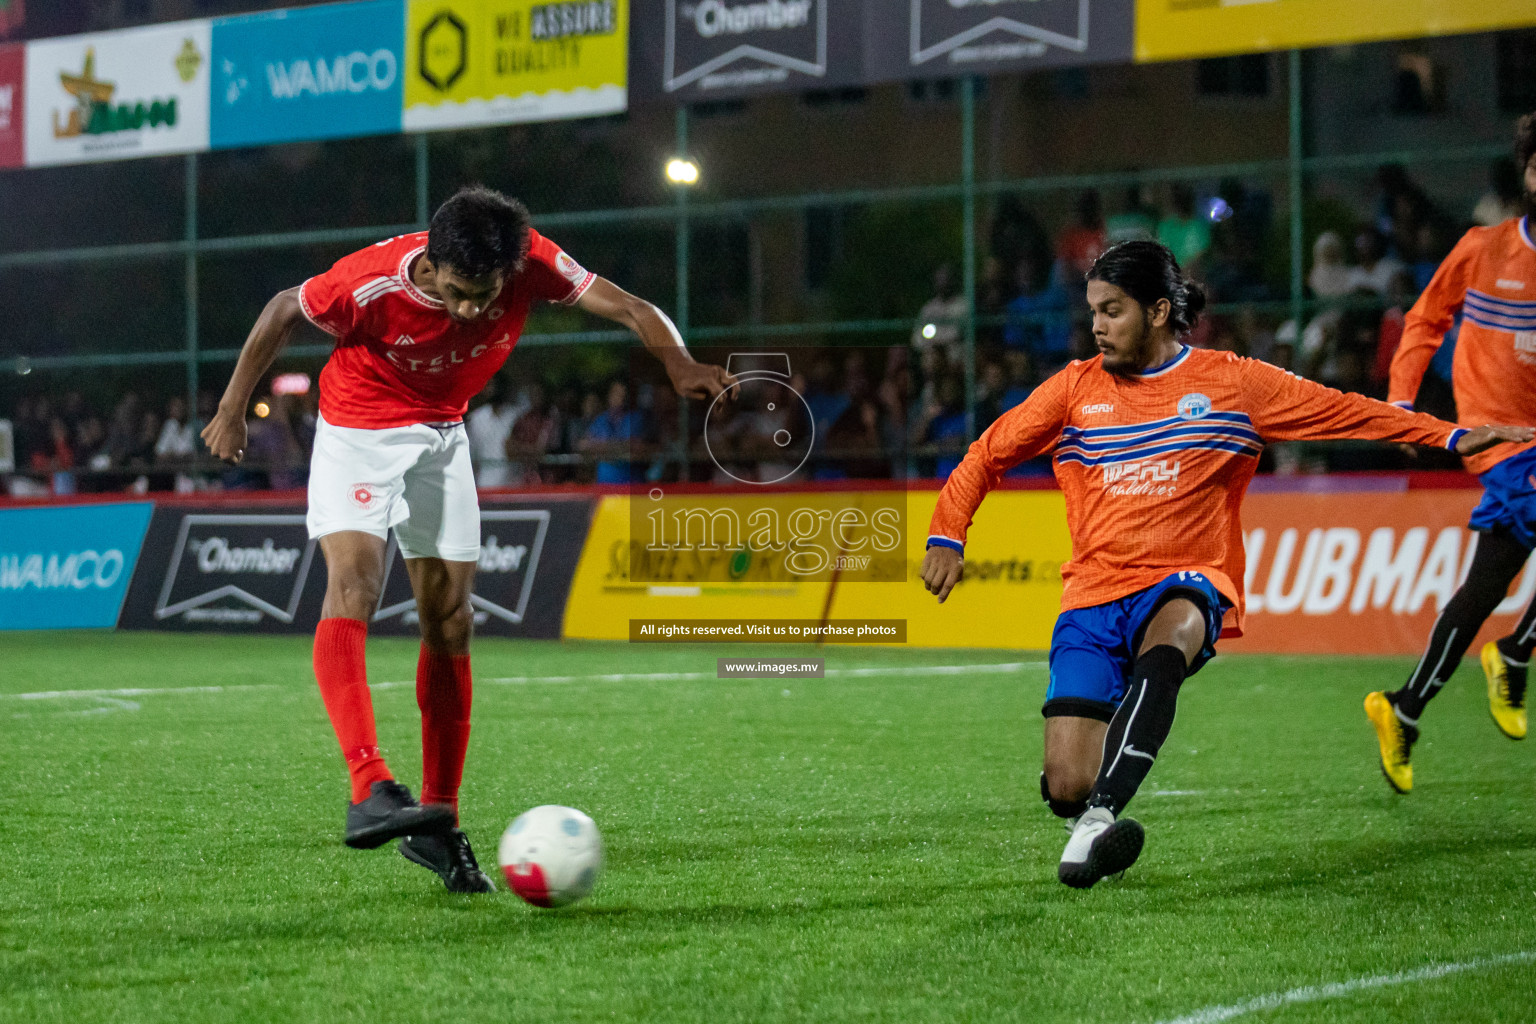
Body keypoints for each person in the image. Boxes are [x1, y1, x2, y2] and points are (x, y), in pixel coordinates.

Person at [918, 240, 1528, 889]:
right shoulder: (1074, 389)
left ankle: (1097, 822)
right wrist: (946, 535)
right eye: (1093, 310)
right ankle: (1083, 810)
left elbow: (1341, 410)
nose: (1097, 325)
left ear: (1157, 312)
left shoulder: (1233, 383)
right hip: (1092, 596)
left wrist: (1449, 435)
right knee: (1067, 781)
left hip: (1188, 578)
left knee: (1175, 631)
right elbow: (986, 455)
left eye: (1112, 310)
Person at [201, 185, 733, 892]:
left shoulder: (526, 262)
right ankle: (369, 786)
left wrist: (679, 362)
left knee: (451, 621)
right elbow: (279, 311)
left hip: (443, 437)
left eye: (488, 294)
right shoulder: (368, 283)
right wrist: (233, 409)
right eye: (460, 292)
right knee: (355, 583)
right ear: (430, 261)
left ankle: (439, 825)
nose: (476, 309)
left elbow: (633, 308)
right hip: (359, 431)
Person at [1365, 113, 1536, 794]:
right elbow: (1424, 319)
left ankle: (1404, 709)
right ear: (1526, 173)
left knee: (1483, 590)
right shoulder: (1485, 249)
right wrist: (1403, 404)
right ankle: (1517, 652)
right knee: (1487, 593)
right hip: (1499, 440)